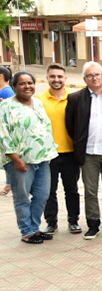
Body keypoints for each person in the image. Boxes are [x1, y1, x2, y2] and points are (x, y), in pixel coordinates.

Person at [65, 62, 102, 239]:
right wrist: (79, 141)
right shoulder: (75, 98)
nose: (94, 78)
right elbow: (70, 125)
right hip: (88, 153)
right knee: (90, 191)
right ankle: (93, 224)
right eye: (90, 75)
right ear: (84, 79)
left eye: (97, 74)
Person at [0, 71, 58, 243]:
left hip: (43, 159)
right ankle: (27, 232)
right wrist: (15, 159)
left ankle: (34, 228)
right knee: (22, 197)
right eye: (22, 83)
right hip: (20, 161)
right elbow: (2, 135)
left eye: (30, 83)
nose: (27, 86)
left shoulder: (38, 103)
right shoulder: (6, 106)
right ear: (14, 86)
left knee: (42, 196)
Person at [37, 63, 82, 234]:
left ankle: (73, 221)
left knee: (72, 189)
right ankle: (51, 222)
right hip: (47, 154)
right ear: (47, 78)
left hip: (70, 152)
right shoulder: (38, 100)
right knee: (49, 191)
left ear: (65, 79)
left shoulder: (74, 98)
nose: (56, 79)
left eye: (59, 76)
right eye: (52, 76)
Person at [0, 65, 13, 197]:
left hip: (7, 133)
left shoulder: (7, 92)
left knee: (8, 160)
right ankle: (9, 184)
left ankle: (11, 185)